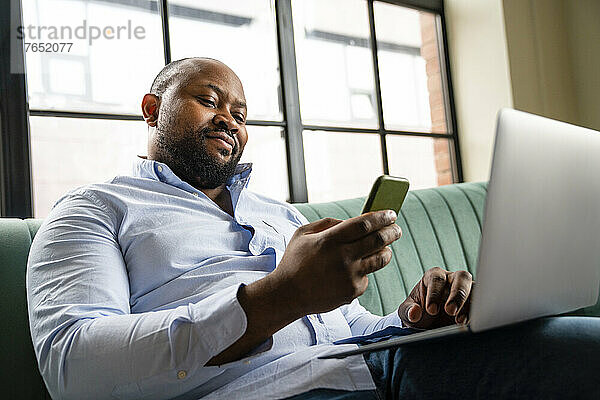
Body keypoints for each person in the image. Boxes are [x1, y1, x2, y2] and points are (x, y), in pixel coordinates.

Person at [27, 58, 600, 400]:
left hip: (379, 366)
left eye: (242, 113)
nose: (230, 118)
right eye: (209, 100)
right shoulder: (92, 210)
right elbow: (73, 365)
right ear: (153, 109)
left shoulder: (281, 215)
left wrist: (416, 318)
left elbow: (353, 328)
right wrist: (279, 296)